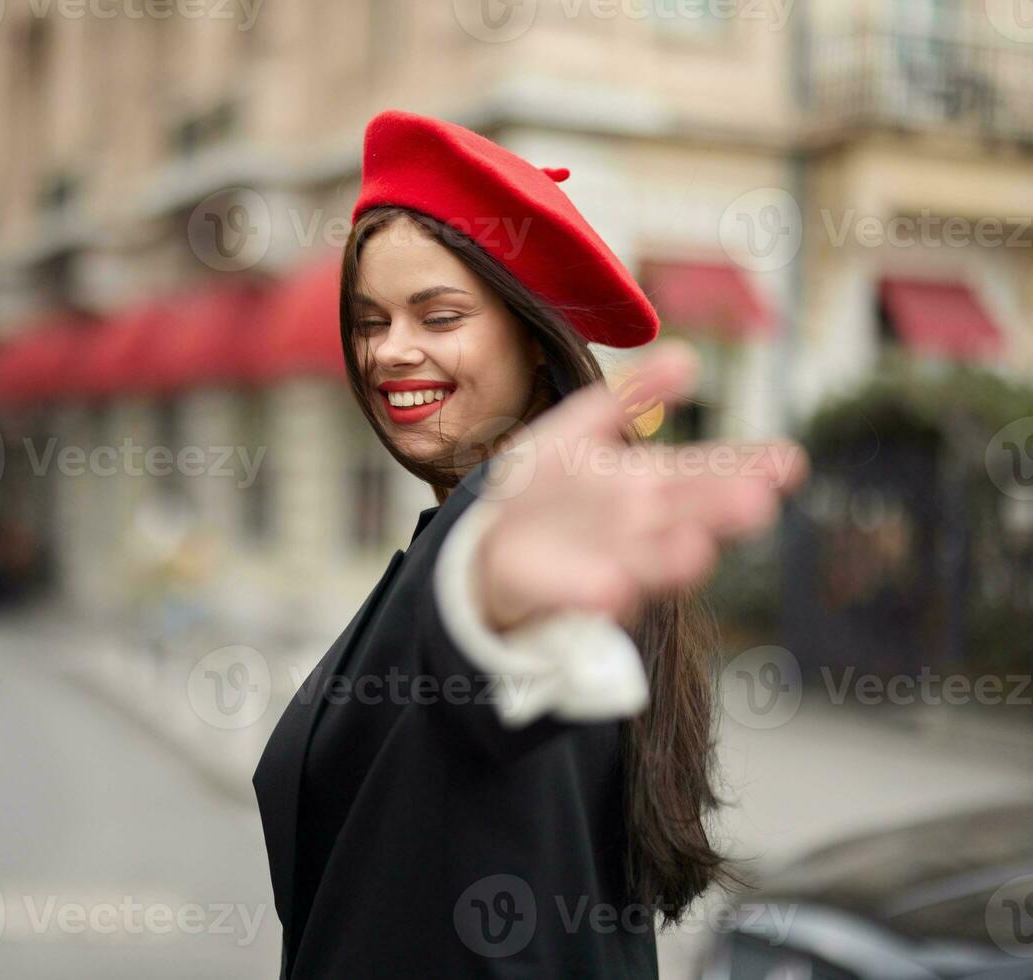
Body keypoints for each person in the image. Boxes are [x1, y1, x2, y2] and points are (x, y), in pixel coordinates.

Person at [251, 109, 808, 977]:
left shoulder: (499, 550)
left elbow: (489, 672)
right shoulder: (461, 532)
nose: (392, 352)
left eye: (438, 317)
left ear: (533, 342)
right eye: (370, 322)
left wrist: (489, 605)